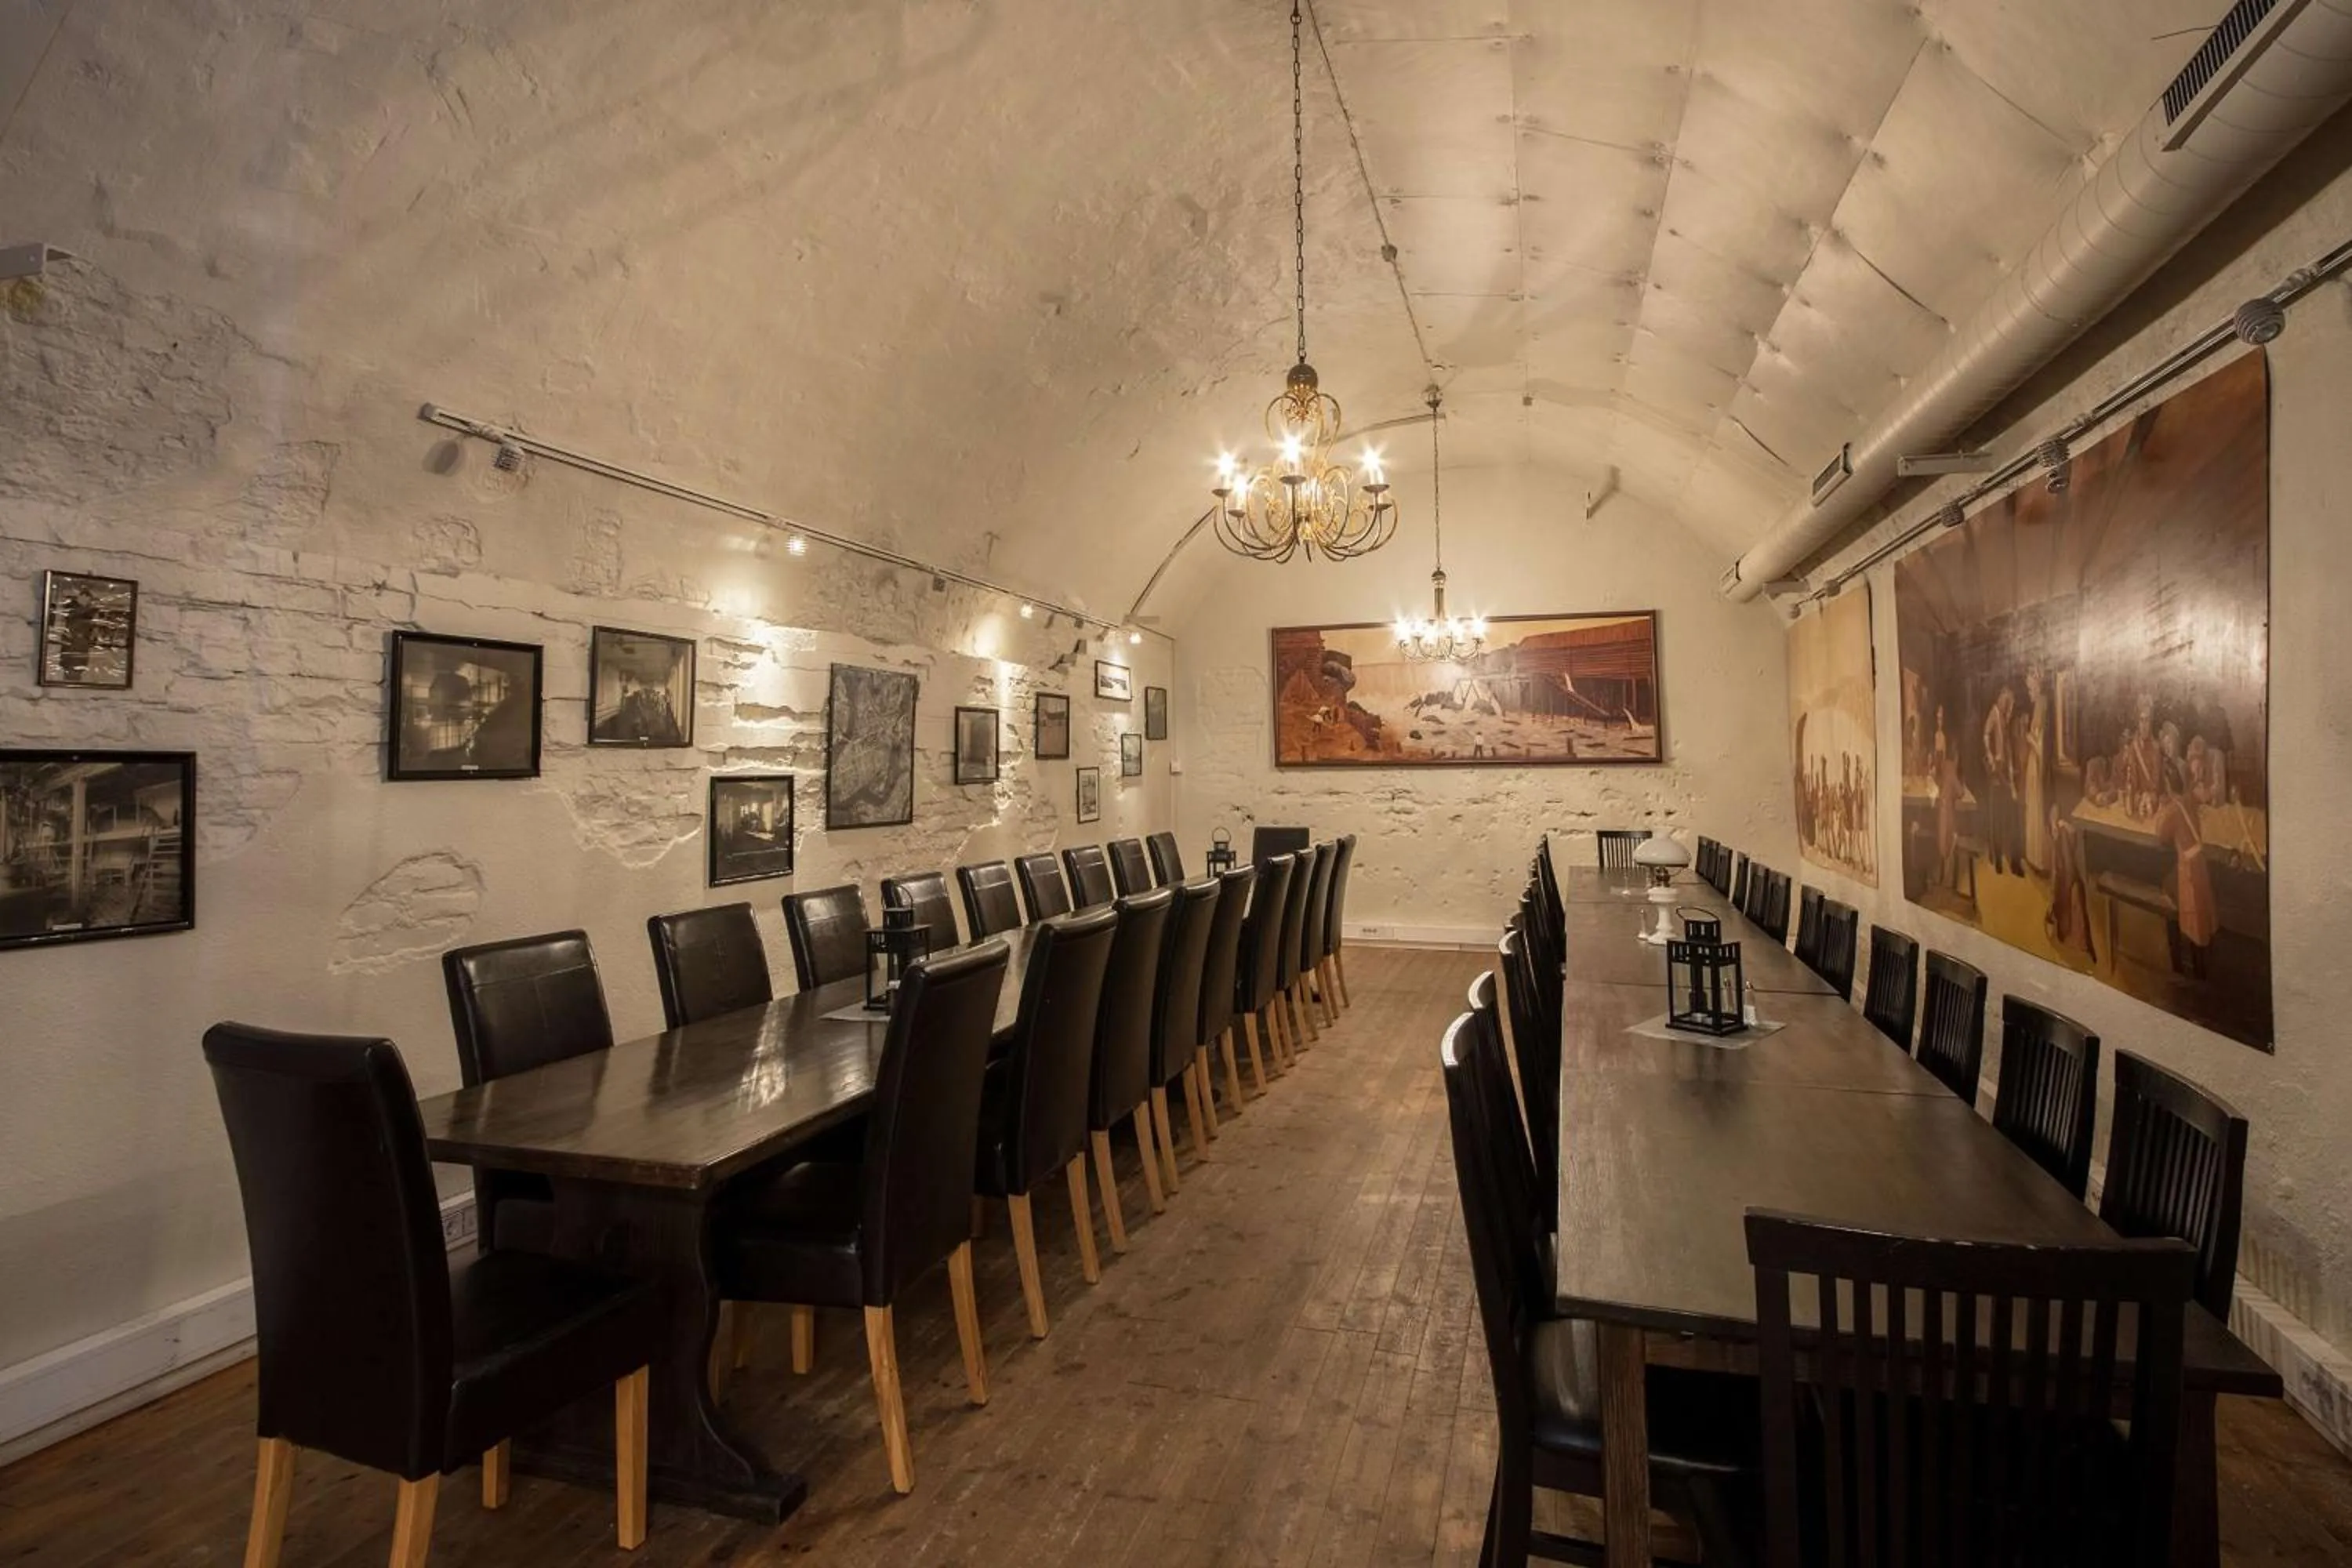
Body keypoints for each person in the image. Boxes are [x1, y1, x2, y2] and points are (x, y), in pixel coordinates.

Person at [1982, 687, 2018, 876]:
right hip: (1995, 772)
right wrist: (1989, 754)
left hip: (2004, 771)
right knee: (1995, 815)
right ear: (2004, 700)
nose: (2009, 708)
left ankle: (2011, 860)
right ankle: (1996, 859)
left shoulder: (2004, 718)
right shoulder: (1995, 712)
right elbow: (1986, 734)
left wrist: (2011, 774)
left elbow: (2009, 748)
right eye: (2009, 704)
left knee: (2007, 815)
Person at [2020, 670, 2050, 877]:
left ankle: (2039, 859)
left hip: (2038, 765)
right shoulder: (2038, 706)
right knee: (2032, 807)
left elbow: (2041, 748)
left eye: (2031, 689)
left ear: (2038, 688)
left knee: (2037, 809)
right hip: (2033, 765)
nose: (2029, 693)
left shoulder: (2042, 705)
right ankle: (2033, 856)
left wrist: (2027, 736)